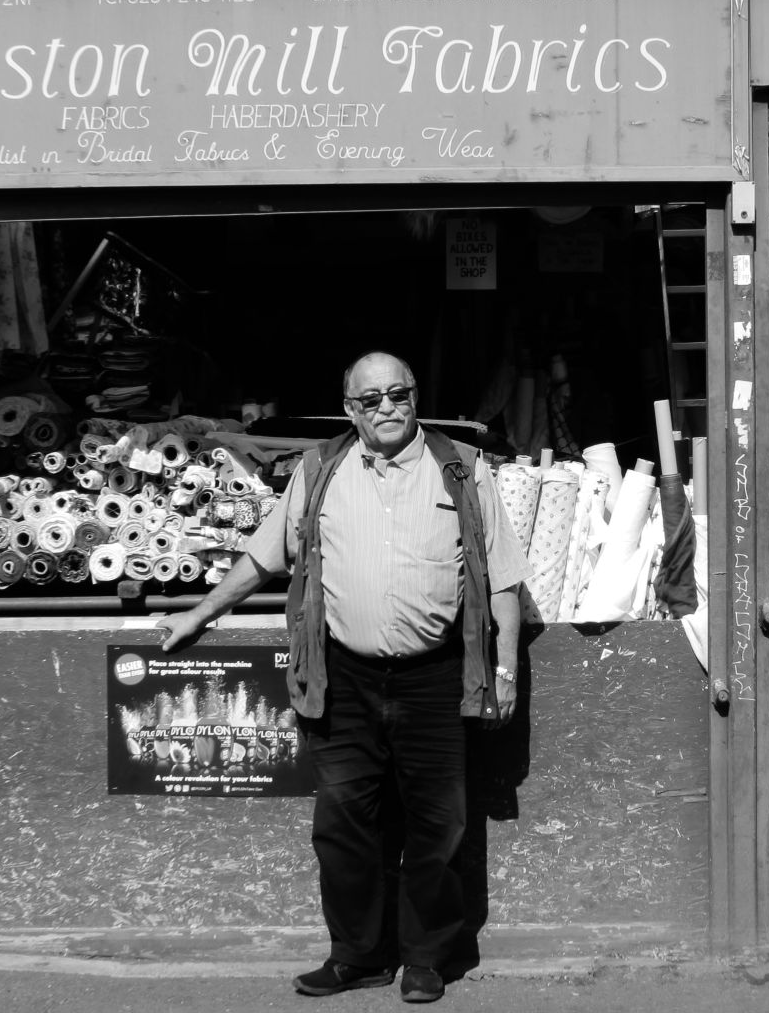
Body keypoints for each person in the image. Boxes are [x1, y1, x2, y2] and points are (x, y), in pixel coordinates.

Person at [158, 351, 531, 1004]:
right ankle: (358, 956)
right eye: (370, 400)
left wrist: (504, 672)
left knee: (437, 823)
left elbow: (502, 578)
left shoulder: (461, 469)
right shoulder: (320, 469)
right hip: (345, 677)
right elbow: (262, 556)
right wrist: (198, 613)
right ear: (349, 409)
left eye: (398, 394)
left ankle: (424, 957)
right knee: (342, 824)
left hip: (435, 676)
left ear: (414, 397)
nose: (386, 408)